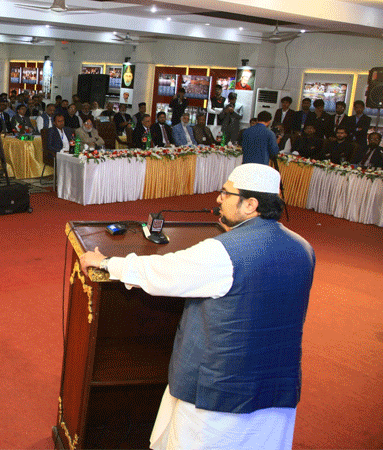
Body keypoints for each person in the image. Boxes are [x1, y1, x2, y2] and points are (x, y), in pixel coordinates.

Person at [79, 163, 315, 450]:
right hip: (276, 388)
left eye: (226, 193)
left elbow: (162, 272)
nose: (218, 199)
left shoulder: (223, 253)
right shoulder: (304, 247)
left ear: (250, 204)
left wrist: (105, 263)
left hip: (220, 395)